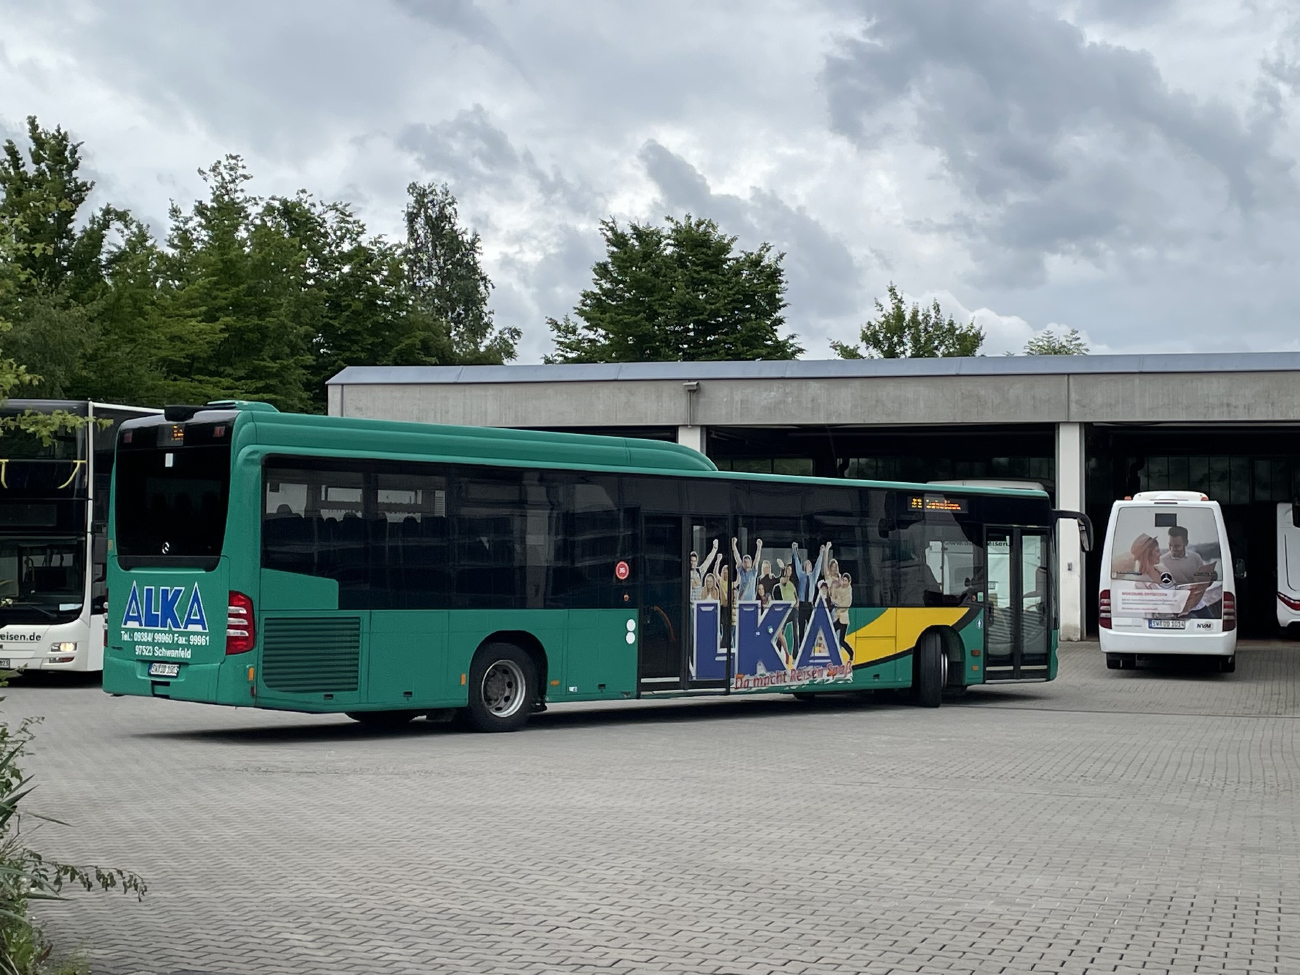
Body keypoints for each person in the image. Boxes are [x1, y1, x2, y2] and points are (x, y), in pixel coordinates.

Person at [793, 542, 827, 639]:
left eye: (810, 564)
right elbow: (797, 565)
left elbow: (818, 566)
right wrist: (795, 550)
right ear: (805, 566)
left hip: (809, 604)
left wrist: (821, 553)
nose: (809, 565)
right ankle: (801, 647)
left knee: (812, 626)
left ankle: (811, 646)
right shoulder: (801, 575)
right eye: (807, 564)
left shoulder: (813, 577)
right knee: (801, 627)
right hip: (802, 604)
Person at [689, 539, 721, 604]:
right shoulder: (686, 573)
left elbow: (708, 561)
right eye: (691, 561)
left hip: (698, 604)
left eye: (694, 561)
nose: (693, 563)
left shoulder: (699, 571)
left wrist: (714, 548)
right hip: (690, 604)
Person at [732, 536, 762, 601]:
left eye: (748, 562)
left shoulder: (753, 572)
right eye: (745, 562)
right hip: (741, 600)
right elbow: (737, 558)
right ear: (743, 563)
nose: (746, 564)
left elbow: (757, 559)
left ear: (751, 563)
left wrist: (759, 547)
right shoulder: (741, 572)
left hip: (751, 601)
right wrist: (734, 546)